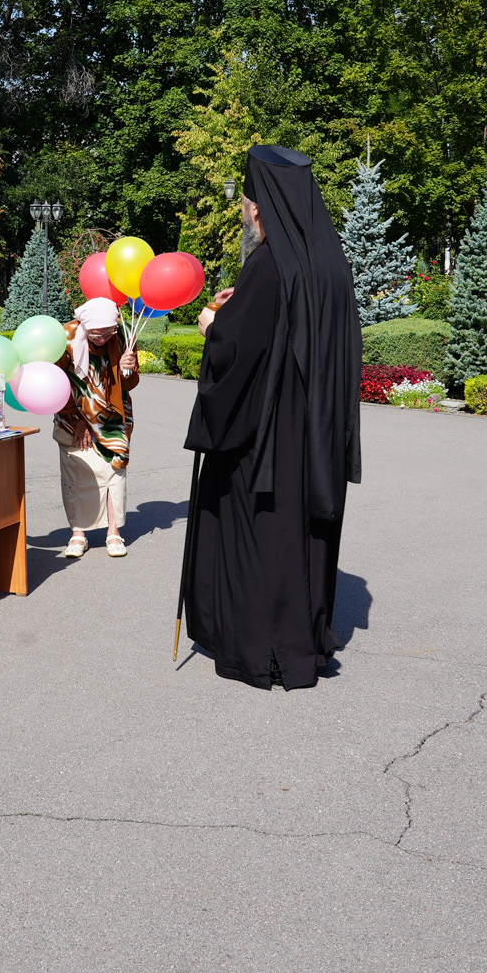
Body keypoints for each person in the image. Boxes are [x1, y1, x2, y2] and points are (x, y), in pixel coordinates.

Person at [178, 144, 361, 690]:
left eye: (245, 200)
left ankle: (265, 651)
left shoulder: (268, 263)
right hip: (316, 432)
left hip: (268, 437)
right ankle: (305, 639)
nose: (243, 209)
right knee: (304, 533)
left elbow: (240, 352)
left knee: (263, 532)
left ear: (259, 205)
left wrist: (215, 324)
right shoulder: (329, 261)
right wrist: (243, 303)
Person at [54, 297, 140, 559]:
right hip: (72, 414)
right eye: (96, 333)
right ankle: (78, 533)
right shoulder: (65, 338)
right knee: (77, 472)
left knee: (115, 470)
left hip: (113, 417)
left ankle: (113, 531)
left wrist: (127, 370)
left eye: (108, 332)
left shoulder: (122, 334)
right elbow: (55, 382)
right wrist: (77, 417)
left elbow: (129, 384)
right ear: (84, 326)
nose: (103, 338)